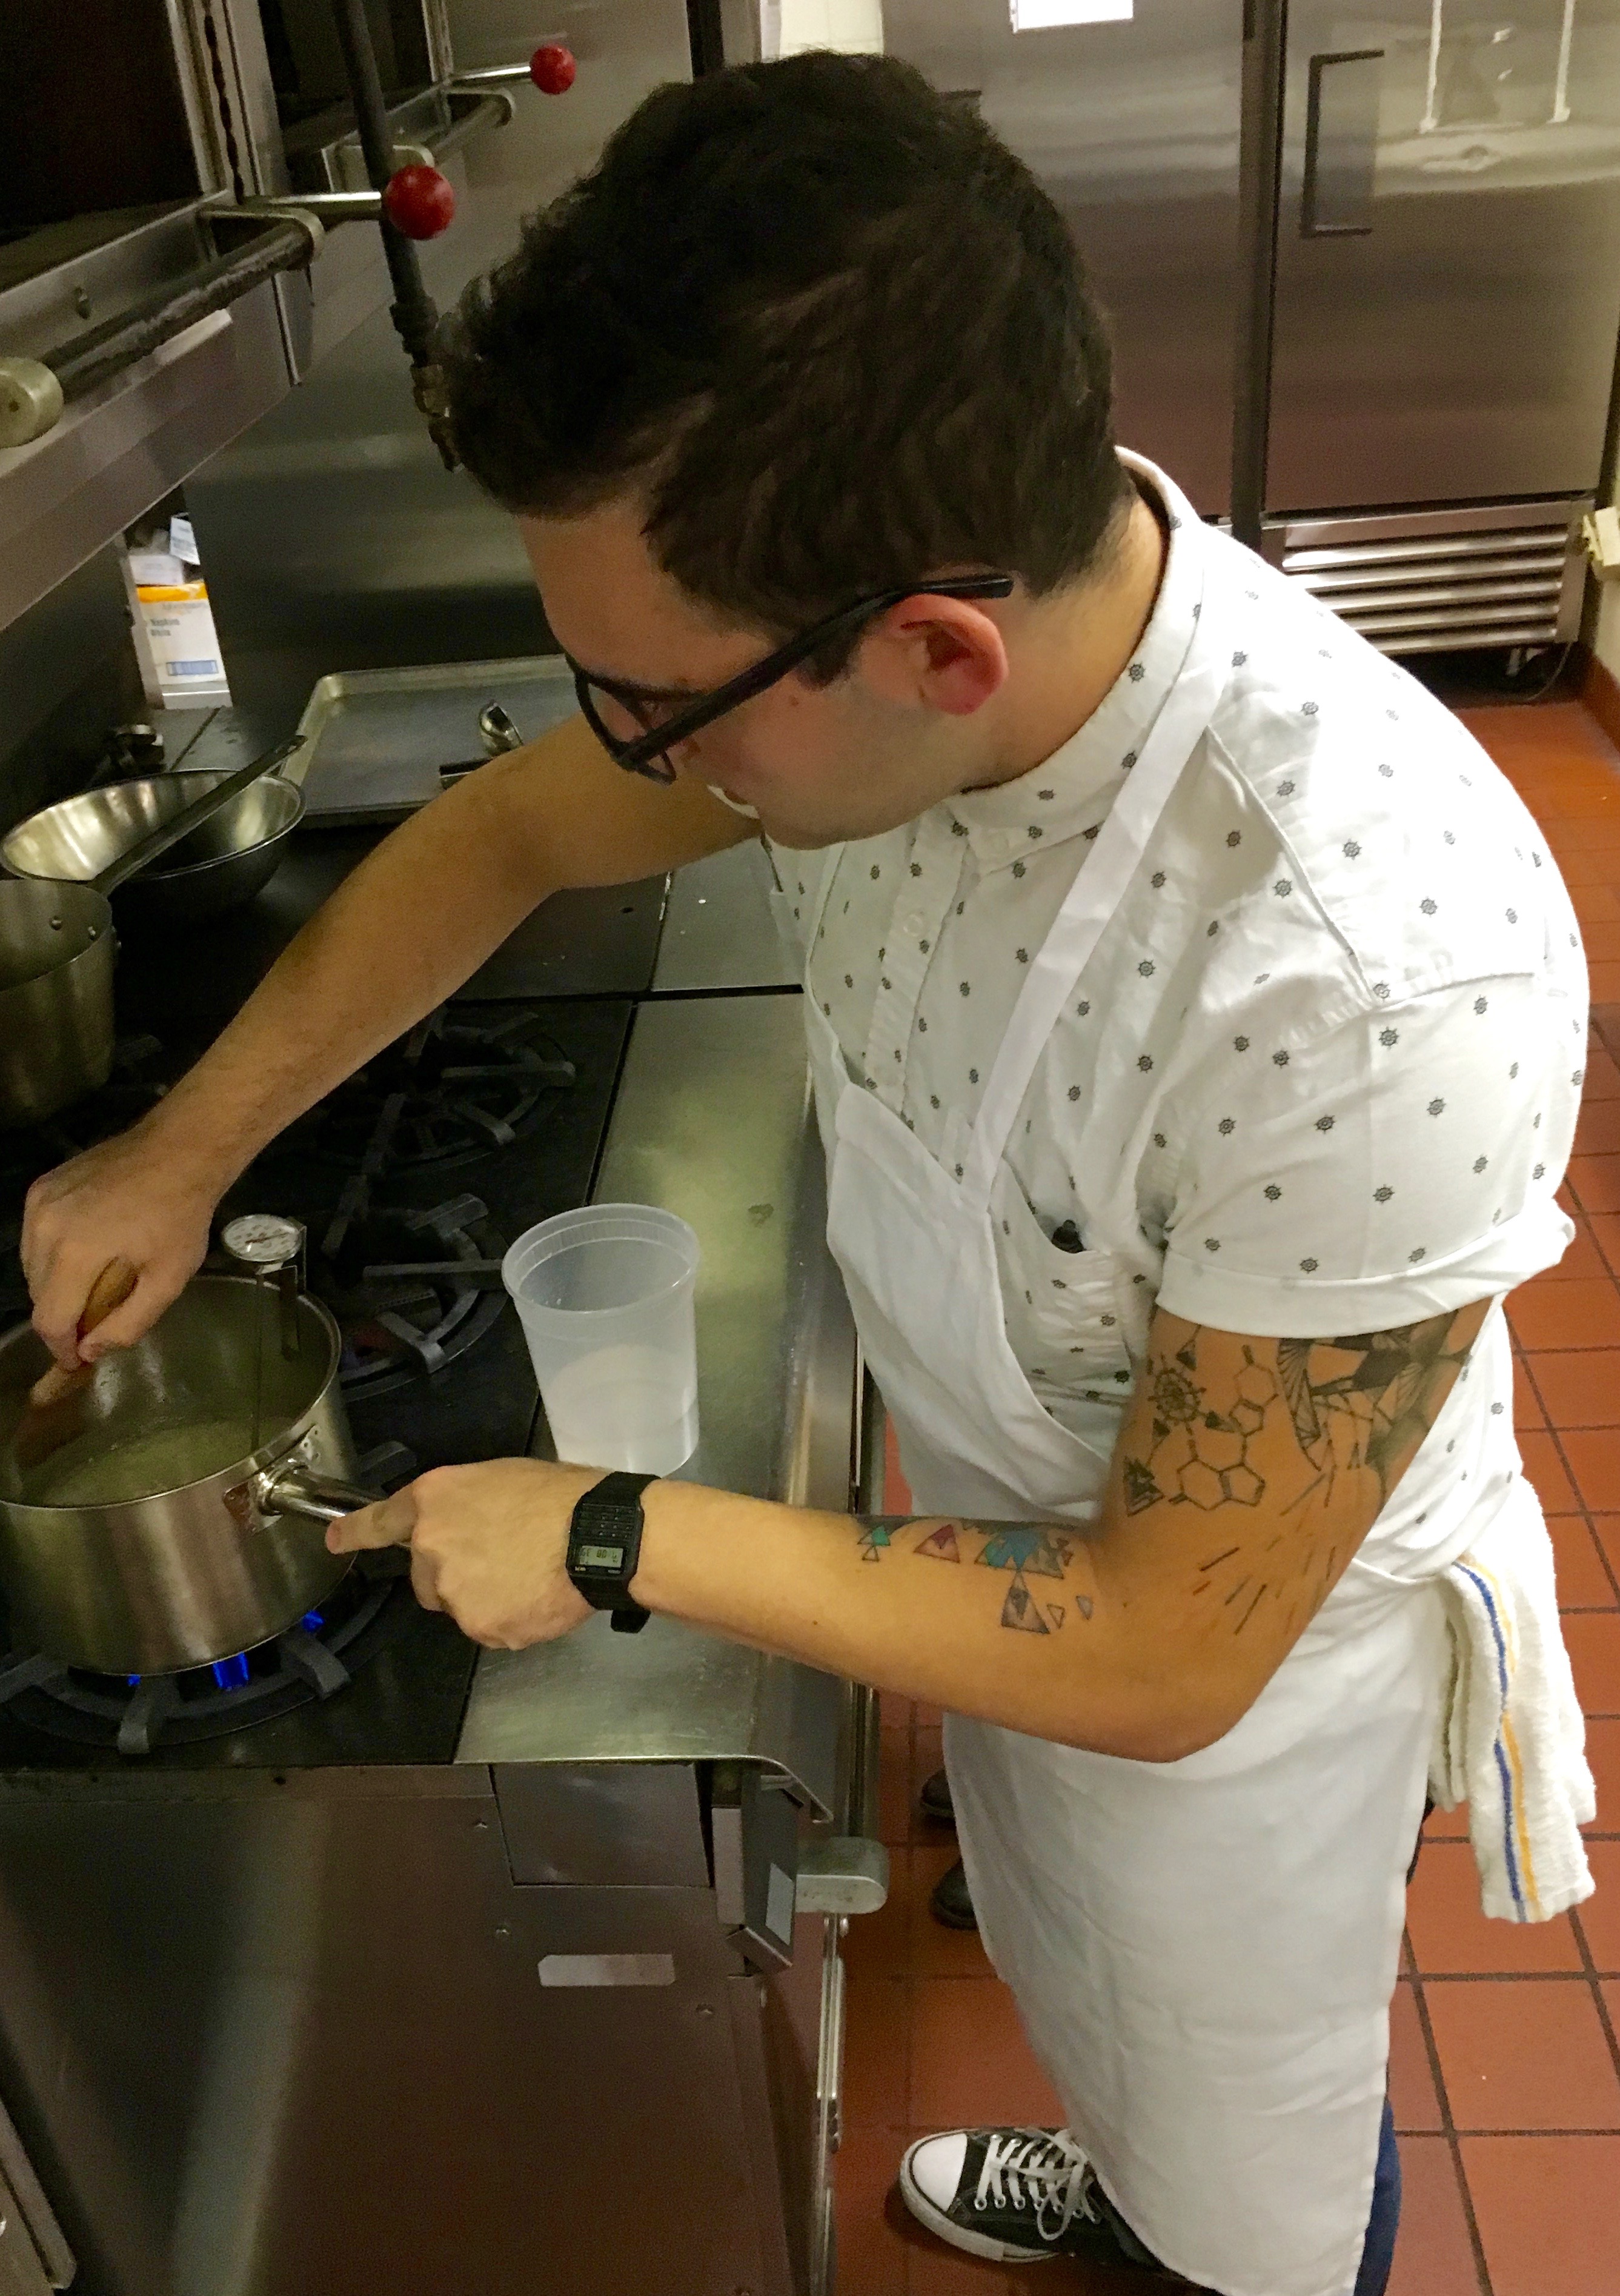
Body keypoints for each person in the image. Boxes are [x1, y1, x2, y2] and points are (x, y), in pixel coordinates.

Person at [21, 55, 1590, 2296]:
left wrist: (608, 1530)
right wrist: (181, 1151)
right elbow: (510, 830)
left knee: (1251, 2139)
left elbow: (1161, 1651)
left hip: (1231, 1683)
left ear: (934, 650)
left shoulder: (1360, 975)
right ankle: (1124, 2166)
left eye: (657, 710)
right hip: (1018, 1533)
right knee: (1078, 1980)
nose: (624, 751)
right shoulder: (881, 665)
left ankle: (1210, 2237)